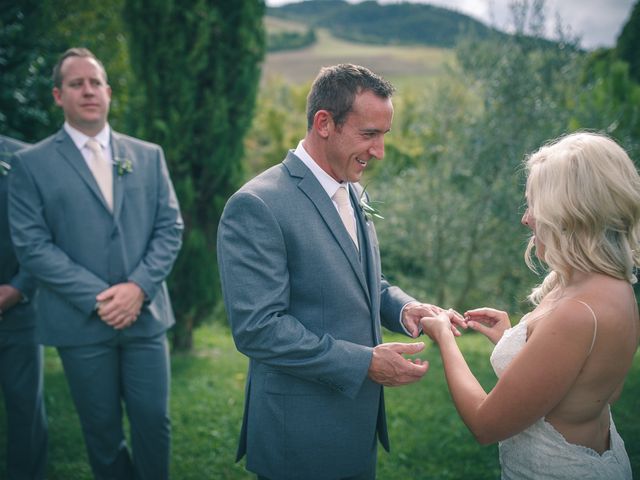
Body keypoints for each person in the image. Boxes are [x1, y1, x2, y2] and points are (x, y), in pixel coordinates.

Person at [217, 63, 462, 480]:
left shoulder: (351, 188)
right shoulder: (257, 205)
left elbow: (361, 280)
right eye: (369, 135)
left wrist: (405, 309)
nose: (379, 151)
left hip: (355, 427)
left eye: (384, 136)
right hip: (299, 432)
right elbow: (259, 328)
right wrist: (364, 363)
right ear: (324, 123)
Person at [421, 131, 638, 479]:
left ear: (569, 212)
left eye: (534, 205)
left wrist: (444, 337)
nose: (526, 218)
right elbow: (599, 388)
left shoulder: (578, 312)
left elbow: (484, 423)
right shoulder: (615, 286)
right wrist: (513, 338)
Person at [8, 48, 183, 479]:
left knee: (153, 425)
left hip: (144, 318)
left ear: (107, 92)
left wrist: (138, 288)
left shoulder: (148, 155)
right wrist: (100, 297)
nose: (88, 90)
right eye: (76, 83)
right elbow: (32, 245)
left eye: (95, 82)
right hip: (79, 322)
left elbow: (169, 227)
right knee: (101, 435)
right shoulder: (30, 164)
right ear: (57, 95)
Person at [1, 134, 48, 479]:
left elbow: (46, 233)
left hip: (16, 311)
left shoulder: (25, 159)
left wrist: (18, 288)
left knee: (24, 412)